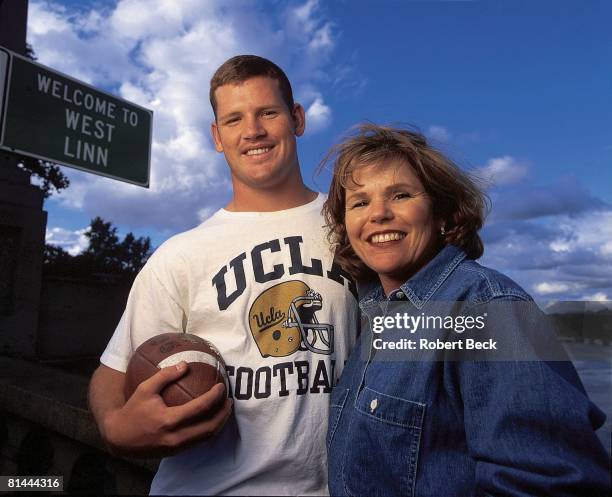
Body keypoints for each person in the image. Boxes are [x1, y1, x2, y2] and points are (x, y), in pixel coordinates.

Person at [88, 55, 358, 496]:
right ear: (217, 136)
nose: (252, 131)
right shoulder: (181, 254)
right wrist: (117, 427)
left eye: (268, 112)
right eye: (234, 119)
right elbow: (112, 371)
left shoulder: (354, 228)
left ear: (297, 119)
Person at [321, 124, 611, 497]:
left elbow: (550, 485)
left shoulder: (487, 308)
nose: (378, 214)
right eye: (360, 202)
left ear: (441, 213)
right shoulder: (377, 320)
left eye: (401, 195)